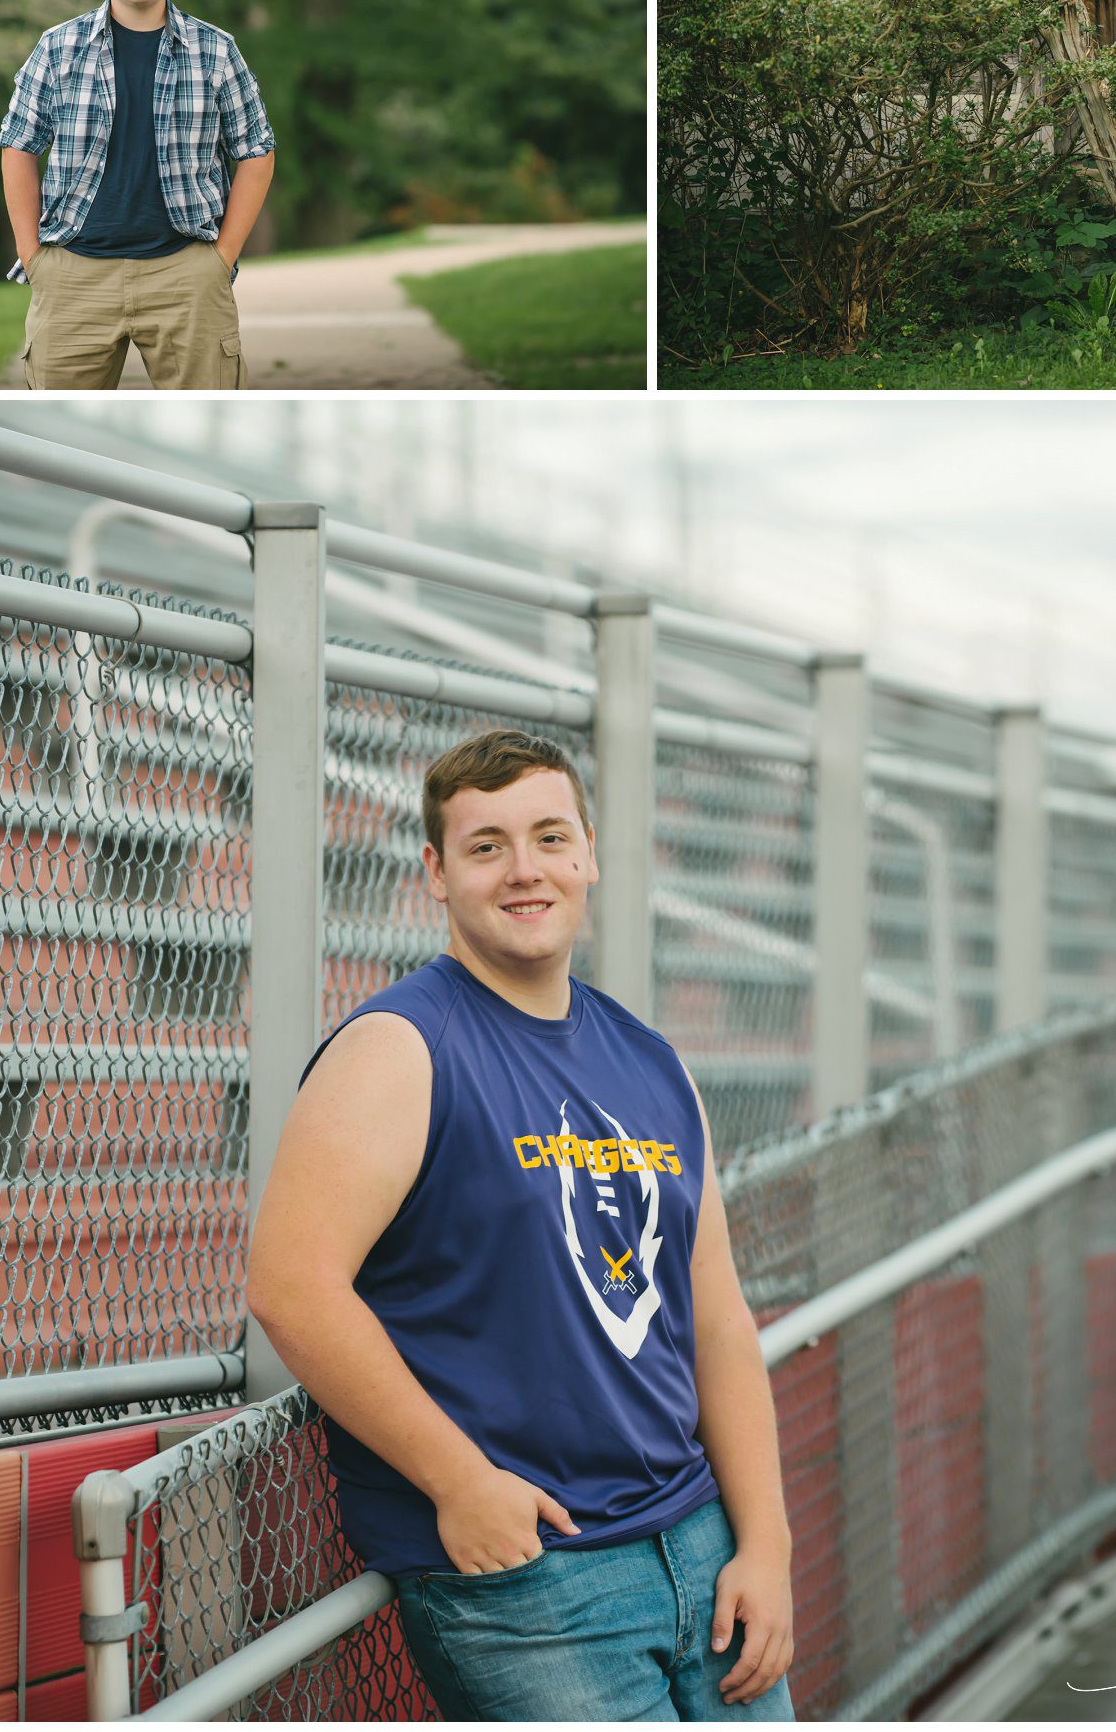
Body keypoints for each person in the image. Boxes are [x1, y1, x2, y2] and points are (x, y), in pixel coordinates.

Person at [246, 726, 796, 1722]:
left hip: (699, 1545)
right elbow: (291, 1290)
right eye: (486, 845)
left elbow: (715, 1322)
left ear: (586, 852)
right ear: (436, 873)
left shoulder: (652, 1063)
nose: (523, 870)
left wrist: (764, 1545)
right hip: (531, 1578)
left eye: (547, 838)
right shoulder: (399, 1048)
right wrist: (460, 1483)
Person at [0, 0, 276, 389]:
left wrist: (221, 258)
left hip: (184, 273)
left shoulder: (215, 50)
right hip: (74, 275)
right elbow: (18, 145)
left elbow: (256, 149)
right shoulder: (59, 47)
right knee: (55, 435)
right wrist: (33, 254)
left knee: (208, 427)